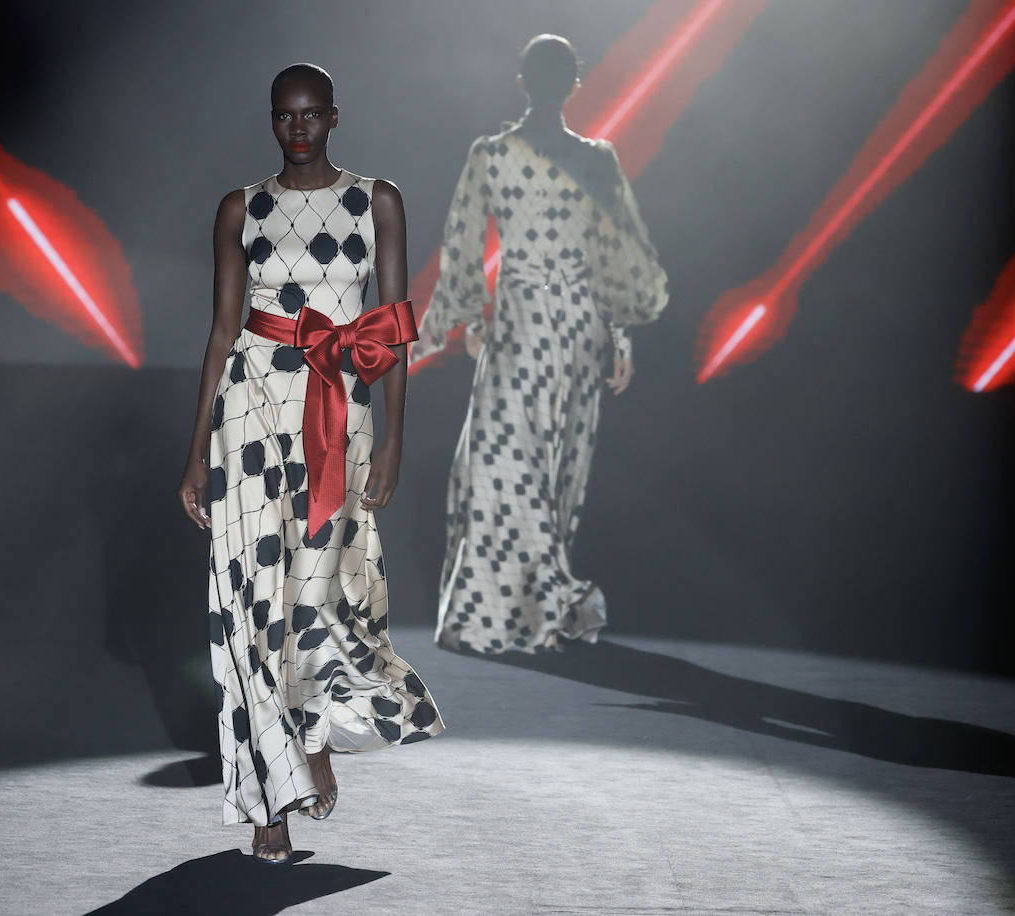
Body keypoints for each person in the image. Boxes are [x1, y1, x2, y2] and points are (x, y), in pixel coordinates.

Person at [178, 62, 444, 864]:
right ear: (271, 121)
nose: (297, 129)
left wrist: (396, 438)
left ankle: (312, 732)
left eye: (310, 115)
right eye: (283, 117)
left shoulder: (376, 200)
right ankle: (270, 799)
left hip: (338, 414)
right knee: (251, 604)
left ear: (333, 117)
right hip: (252, 409)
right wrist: (195, 453)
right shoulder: (242, 208)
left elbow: (394, 329)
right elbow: (224, 332)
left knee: (321, 598)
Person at [411, 34, 669, 655]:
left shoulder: (492, 155)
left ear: (523, 83)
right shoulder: (596, 161)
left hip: (522, 323)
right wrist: (618, 336)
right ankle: (544, 605)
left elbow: (463, 251)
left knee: (505, 464)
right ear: (575, 84)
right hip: (576, 326)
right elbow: (615, 255)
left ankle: (508, 610)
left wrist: (453, 325)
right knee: (555, 467)